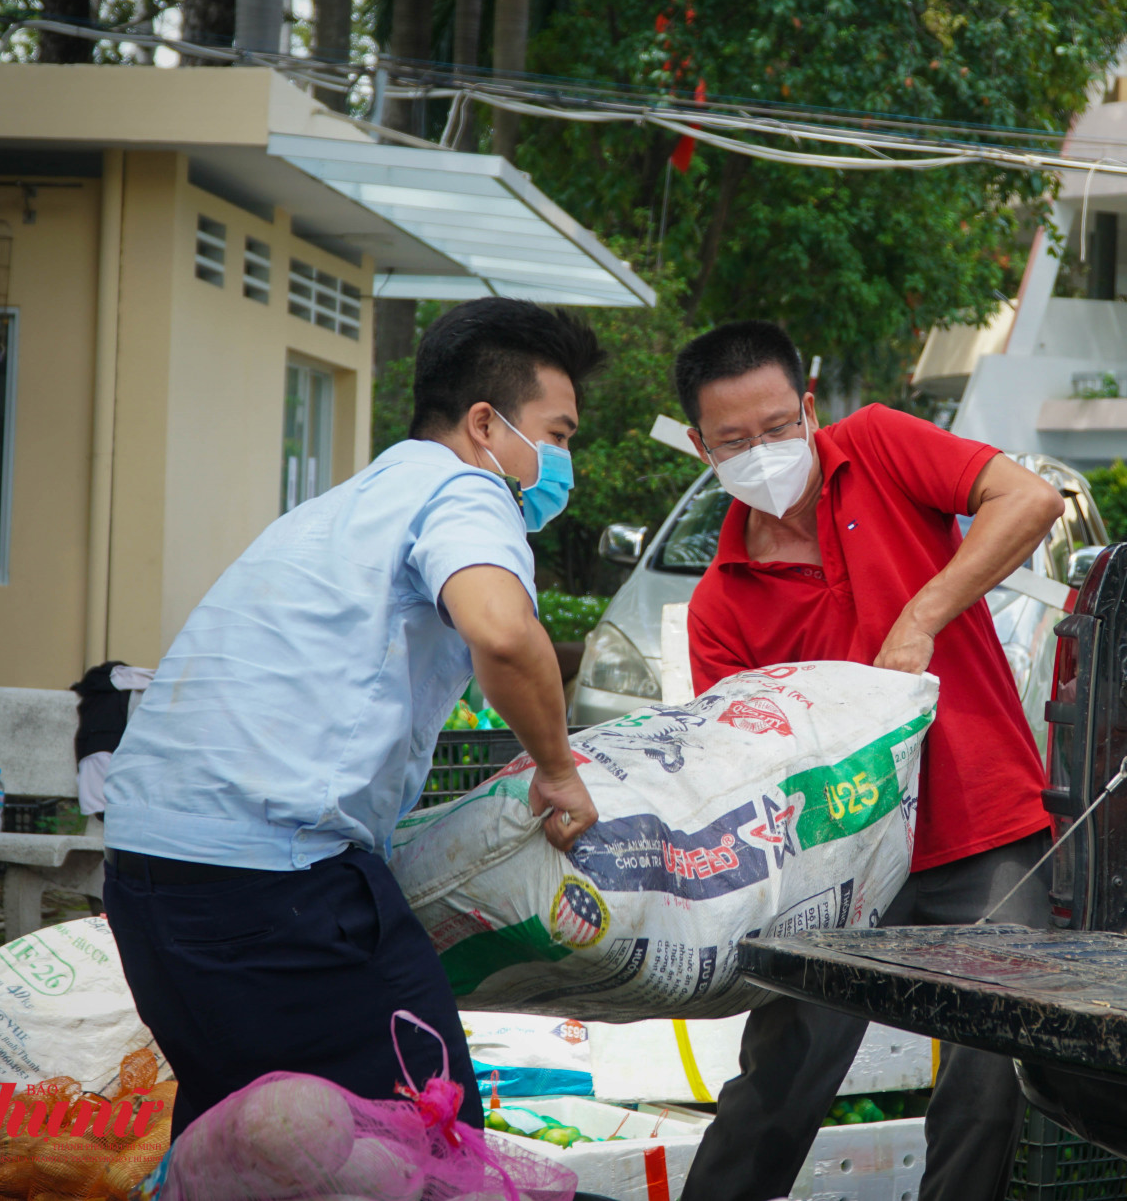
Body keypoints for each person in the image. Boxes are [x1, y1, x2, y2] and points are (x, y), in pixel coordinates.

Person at [102, 298, 602, 1133]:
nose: (562, 460)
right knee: (426, 1141)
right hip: (273, 884)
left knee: (247, 1147)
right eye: (559, 433)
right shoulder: (467, 491)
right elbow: (506, 634)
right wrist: (558, 768)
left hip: (148, 876)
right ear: (486, 423)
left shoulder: (351, 502)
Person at [673, 321, 1066, 1201]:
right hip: (837, 867)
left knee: (987, 1081)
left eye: (777, 427)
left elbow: (1029, 501)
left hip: (981, 827)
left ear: (809, 408)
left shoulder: (882, 444)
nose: (762, 452)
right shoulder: (720, 605)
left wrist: (922, 615)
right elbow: (747, 773)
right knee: (782, 1078)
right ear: (702, 448)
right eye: (734, 441)